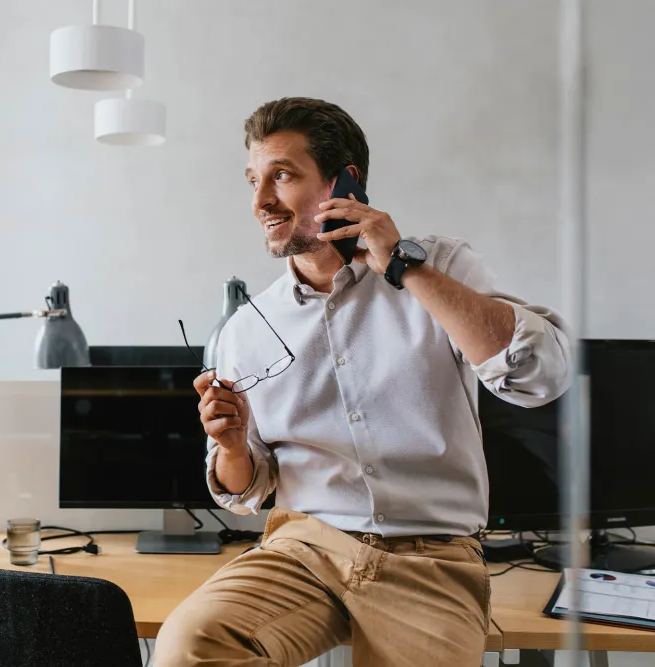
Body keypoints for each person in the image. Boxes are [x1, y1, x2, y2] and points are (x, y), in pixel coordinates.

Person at [154, 97, 571, 667]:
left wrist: (407, 266)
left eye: (282, 175)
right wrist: (231, 446)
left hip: (433, 559)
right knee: (188, 645)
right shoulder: (245, 329)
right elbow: (247, 490)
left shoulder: (441, 267)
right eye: (253, 179)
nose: (260, 201)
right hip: (302, 550)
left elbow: (540, 375)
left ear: (345, 181)